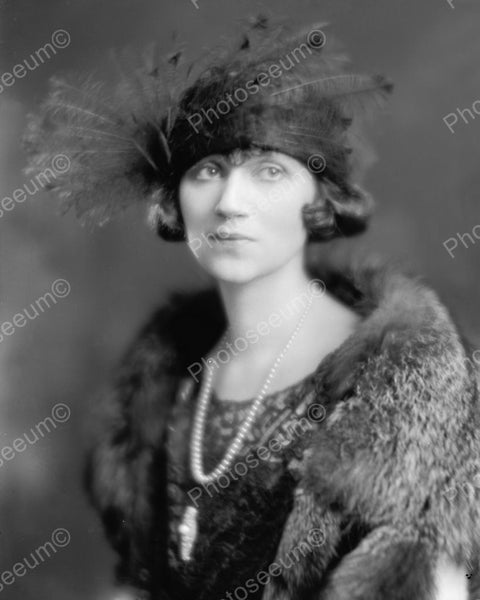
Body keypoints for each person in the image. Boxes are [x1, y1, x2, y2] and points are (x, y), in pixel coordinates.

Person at [23, 15, 480, 600]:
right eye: (207, 170)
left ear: (319, 201)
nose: (230, 203)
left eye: (269, 171)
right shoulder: (162, 385)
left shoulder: (417, 397)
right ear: (174, 204)